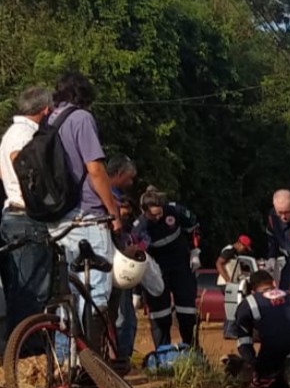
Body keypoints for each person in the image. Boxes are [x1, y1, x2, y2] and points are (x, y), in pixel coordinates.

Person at [48, 72, 122, 318]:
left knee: (68, 292)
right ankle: (89, 355)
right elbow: (96, 170)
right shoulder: (81, 118)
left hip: (58, 217)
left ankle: (64, 355)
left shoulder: (49, 120)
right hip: (88, 216)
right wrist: (113, 212)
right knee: (96, 292)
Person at [0, 86, 54, 341]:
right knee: (32, 294)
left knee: (19, 291)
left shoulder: (12, 133)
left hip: (13, 215)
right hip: (27, 217)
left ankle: (17, 354)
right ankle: (27, 355)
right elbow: (19, 164)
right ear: (45, 109)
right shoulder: (25, 136)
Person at [130, 186, 201, 349]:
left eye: (159, 213)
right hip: (157, 269)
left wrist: (195, 251)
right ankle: (163, 353)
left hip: (181, 263)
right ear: (144, 211)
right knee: (160, 315)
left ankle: (191, 349)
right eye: (152, 215)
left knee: (187, 311)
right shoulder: (139, 228)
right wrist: (136, 291)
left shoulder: (175, 211)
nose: (157, 217)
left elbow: (194, 228)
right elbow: (136, 258)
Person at [106, 154, 138, 363]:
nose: (131, 182)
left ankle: (118, 357)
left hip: (115, 259)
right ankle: (119, 360)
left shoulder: (110, 195)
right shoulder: (108, 197)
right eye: (129, 177)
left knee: (123, 316)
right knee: (122, 316)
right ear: (118, 173)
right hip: (115, 262)